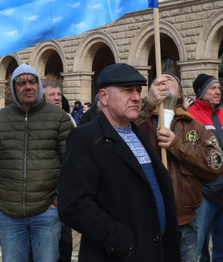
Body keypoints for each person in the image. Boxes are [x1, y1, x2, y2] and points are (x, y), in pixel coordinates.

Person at [57, 63, 180, 261]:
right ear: (104, 97)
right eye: (127, 91)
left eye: (139, 91)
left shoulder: (140, 134)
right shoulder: (86, 137)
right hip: (119, 255)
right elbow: (72, 204)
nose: (136, 97)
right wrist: (119, 239)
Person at [0, 64, 74, 262]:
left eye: (32, 81)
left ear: (38, 84)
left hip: (48, 213)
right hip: (7, 214)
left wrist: (57, 204)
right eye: (21, 82)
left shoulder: (60, 119)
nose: (27, 86)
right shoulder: (0, 119)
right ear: (14, 88)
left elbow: (71, 166)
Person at [135, 73, 223, 261]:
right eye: (158, 81)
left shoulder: (195, 127)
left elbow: (216, 164)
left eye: (170, 80)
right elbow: (125, 136)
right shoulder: (140, 119)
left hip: (184, 221)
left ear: (181, 95)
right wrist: (149, 105)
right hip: (145, 219)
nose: (164, 82)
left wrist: (178, 146)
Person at [188, 74, 223, 262]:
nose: (218, 91)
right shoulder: (189, 118)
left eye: (219, 88)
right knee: (198, 247)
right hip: (203, 195)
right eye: (213, 88)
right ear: (201, 92)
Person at [42, 80, 77, 262]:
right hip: (42, 194)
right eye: (52, 95)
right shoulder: (37, 120)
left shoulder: (69, 119)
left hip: (63, 192)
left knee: (64, 243)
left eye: (58, 94)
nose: (57, 98)